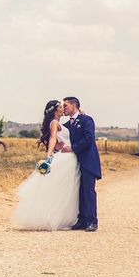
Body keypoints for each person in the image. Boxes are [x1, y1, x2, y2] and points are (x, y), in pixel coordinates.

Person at [12, 100, 80, 231]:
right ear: (56, 111)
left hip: (68, 155)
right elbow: (53, 138)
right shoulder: (54, 123)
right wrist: (49, 155)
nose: (63, 109)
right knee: (63, 188)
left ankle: (62, 217)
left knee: (64, 188)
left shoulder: (60, 123)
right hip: (66, 156)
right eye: (61, 107)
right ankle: (55, 217)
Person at [61, 96, 101, 232]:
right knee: (79, 191)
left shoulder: (86, 120)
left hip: (88, 161)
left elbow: (89, 138)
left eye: (65, 105)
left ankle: (92, 221)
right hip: (74, 163)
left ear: (74, 105)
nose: (63, 108)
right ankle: (82, 219)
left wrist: (73, 148)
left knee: (88, 190)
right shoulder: (67, 125)